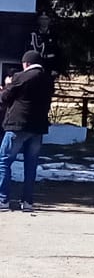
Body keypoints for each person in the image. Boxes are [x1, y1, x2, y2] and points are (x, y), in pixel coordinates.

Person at [0, 51, 54, 213]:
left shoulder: (20, 77)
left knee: (4, 161)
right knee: (31, 165)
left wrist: (7, 85)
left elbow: (5, 98)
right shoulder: (48, 79)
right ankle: (27, 201)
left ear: (26, 63)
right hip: (38, 128)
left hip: (18, 126)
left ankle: (3, 200)